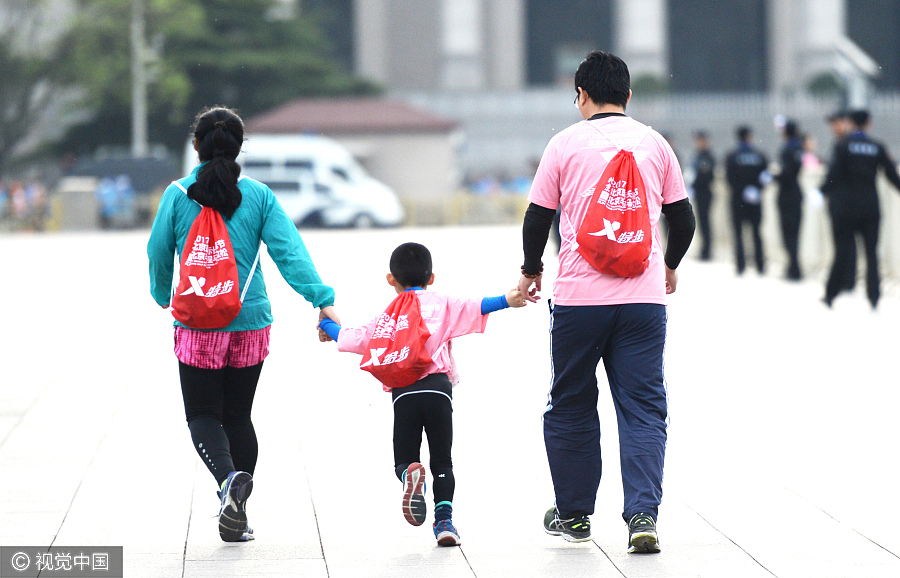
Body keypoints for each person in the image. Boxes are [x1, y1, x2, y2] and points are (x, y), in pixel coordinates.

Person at [517, 51, 695, 554]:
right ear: (629, 96)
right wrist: (669, 264)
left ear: (581, 95)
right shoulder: (656, 144)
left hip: (578, 301)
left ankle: (574, 516)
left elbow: (537, 218)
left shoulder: (563, 145)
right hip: (642, 302)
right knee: (642, 406)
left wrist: (532, 271)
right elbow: (683, 221)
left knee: (572, 402)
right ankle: (642, 513)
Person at [147, 106, 340, 542]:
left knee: (202, 414)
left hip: (198, 324)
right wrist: (322, 300)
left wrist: (162, 295)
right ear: (240, 148)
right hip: (250, 322)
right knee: (238, 416)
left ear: (196, 145)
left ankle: (225, 482)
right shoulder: (259, 196)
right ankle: (238, 513)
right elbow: (288, 252)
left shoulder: (177, 195)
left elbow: (159, 251)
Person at [318, 242, 526, 547]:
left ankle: (409, 477)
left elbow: (353, 338)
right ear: (431, 278)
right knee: (443, 460)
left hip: (404, 394)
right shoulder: (442, 302)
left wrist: (326, 324)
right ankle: (444, 523)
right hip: (438, 390)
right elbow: (477, 305)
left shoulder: (389, 316)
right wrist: (508, 299)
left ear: (391, 279)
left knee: (404, 458)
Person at [821, 109, 900, 309]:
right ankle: (874, 296)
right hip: (870, 207)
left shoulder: (843, 146)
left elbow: (834, 175)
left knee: (842, 251)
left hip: (846, 208)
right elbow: (892, 175)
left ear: (850, 123)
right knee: (872, 253)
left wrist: (821, 192)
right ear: (868, 123)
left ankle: (831, 294)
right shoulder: (876, 147)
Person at [725, 126, 770, 275]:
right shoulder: (759, 155)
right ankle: (760, 264)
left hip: (738, 199)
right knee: (756, 232)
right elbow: (765, 176)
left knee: (738, 233)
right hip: (755, 200)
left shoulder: (732, 156)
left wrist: (742, 190)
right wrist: (757, 189)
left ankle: (741, 265)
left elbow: (730, 178)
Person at [824, 109, 857, 295]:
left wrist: (823, 189)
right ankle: (844, 279)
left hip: (849, 203)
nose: (834, 127)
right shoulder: (837, 143)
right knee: (841, 243)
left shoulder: (849, 144)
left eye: (837, 122)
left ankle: (848, 280)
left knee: (848, 243)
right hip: (837, 202)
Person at [775, 120, 804, 280]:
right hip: (795, 193)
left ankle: (794, 269)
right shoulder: (798, 147)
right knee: (795, 233)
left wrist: (773, 176)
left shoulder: (788, 148)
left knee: (788, 233)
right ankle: (794, 267)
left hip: (787, 194)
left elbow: (787, 172)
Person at [690, 130, 716, 260]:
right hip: (698, 193)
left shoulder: (708, 156)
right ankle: (704, 250)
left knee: (706, 223)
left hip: (705, 192)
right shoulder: (697, 156)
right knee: (701, 222)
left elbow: (706, 175)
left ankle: (707, 251)